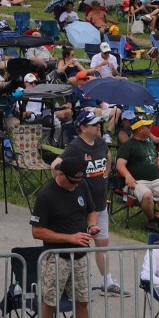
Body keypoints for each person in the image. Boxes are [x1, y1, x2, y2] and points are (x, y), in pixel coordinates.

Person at [30, 152, 111, 318]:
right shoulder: (46, 194)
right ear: (60, 175)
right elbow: (37, 232)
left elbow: (91, 211)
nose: (76, 185)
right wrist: (70, 238)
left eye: (79, 181)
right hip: (56, 257)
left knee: (82, 300)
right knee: (50, 302)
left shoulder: (81, 184)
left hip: (81, 255)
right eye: (72, 181)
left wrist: (91, 226)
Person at [56, 108, 122, 295]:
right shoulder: (75, 147)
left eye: (99, 124)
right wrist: (65, 187)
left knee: (103, 243)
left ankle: (107, 281)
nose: (98, 127)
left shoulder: (100, 143)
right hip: (80, 206)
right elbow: (55, 166)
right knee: (77, 244)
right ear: (83, 127)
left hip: (100, 203)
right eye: (94, 125)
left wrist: (106, 173)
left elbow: (108, 158)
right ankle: (69, 283)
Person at [116, 116, 159, 229]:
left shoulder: (149, 142)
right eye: (147, 126)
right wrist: (128, 176)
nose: (150, 127)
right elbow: (120, 164)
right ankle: (151, 219)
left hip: (156, 180)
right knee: (147, 195)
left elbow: (157, 157)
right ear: (140, 130)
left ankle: (157, 220)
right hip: (137, 182)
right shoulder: (128, 145)